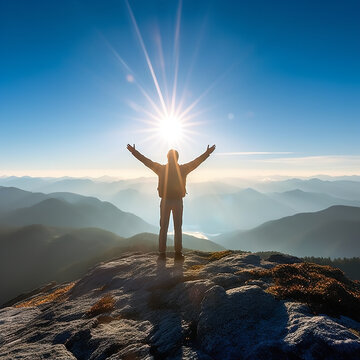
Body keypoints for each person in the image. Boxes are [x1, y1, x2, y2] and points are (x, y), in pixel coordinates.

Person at [127, 144, 216, 261]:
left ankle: (162, 253)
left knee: (163, 227)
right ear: (177, 158)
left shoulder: (161, 169)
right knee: (177, 227)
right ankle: (178, 253)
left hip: (165, 201)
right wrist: (207, 153)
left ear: (167, 158)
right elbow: (196, 162)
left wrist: (134, 152)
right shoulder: (183, 169)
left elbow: (146, 161)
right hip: (178, 201)